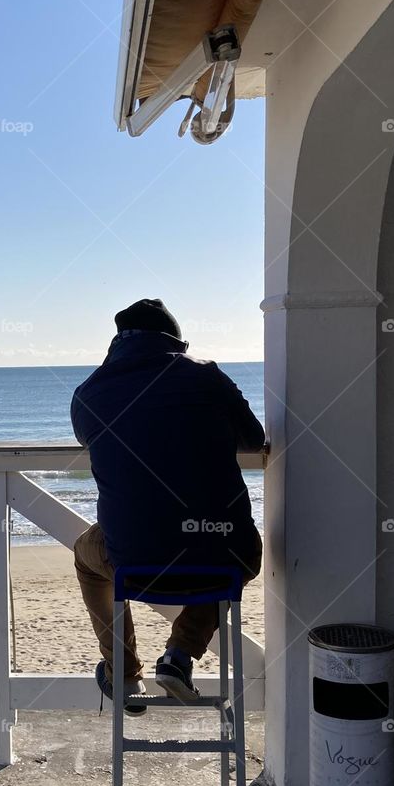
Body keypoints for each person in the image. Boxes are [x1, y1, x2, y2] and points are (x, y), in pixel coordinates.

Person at [71, 298, 265, 710]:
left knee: (84, 554)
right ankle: (179, 655)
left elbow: (88, 441)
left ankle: (122, 673)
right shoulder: (207, 376)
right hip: (222, 556)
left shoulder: (89, 392)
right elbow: (252, 439)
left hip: (133, 565)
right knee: (236, 552)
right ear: (175, 343)